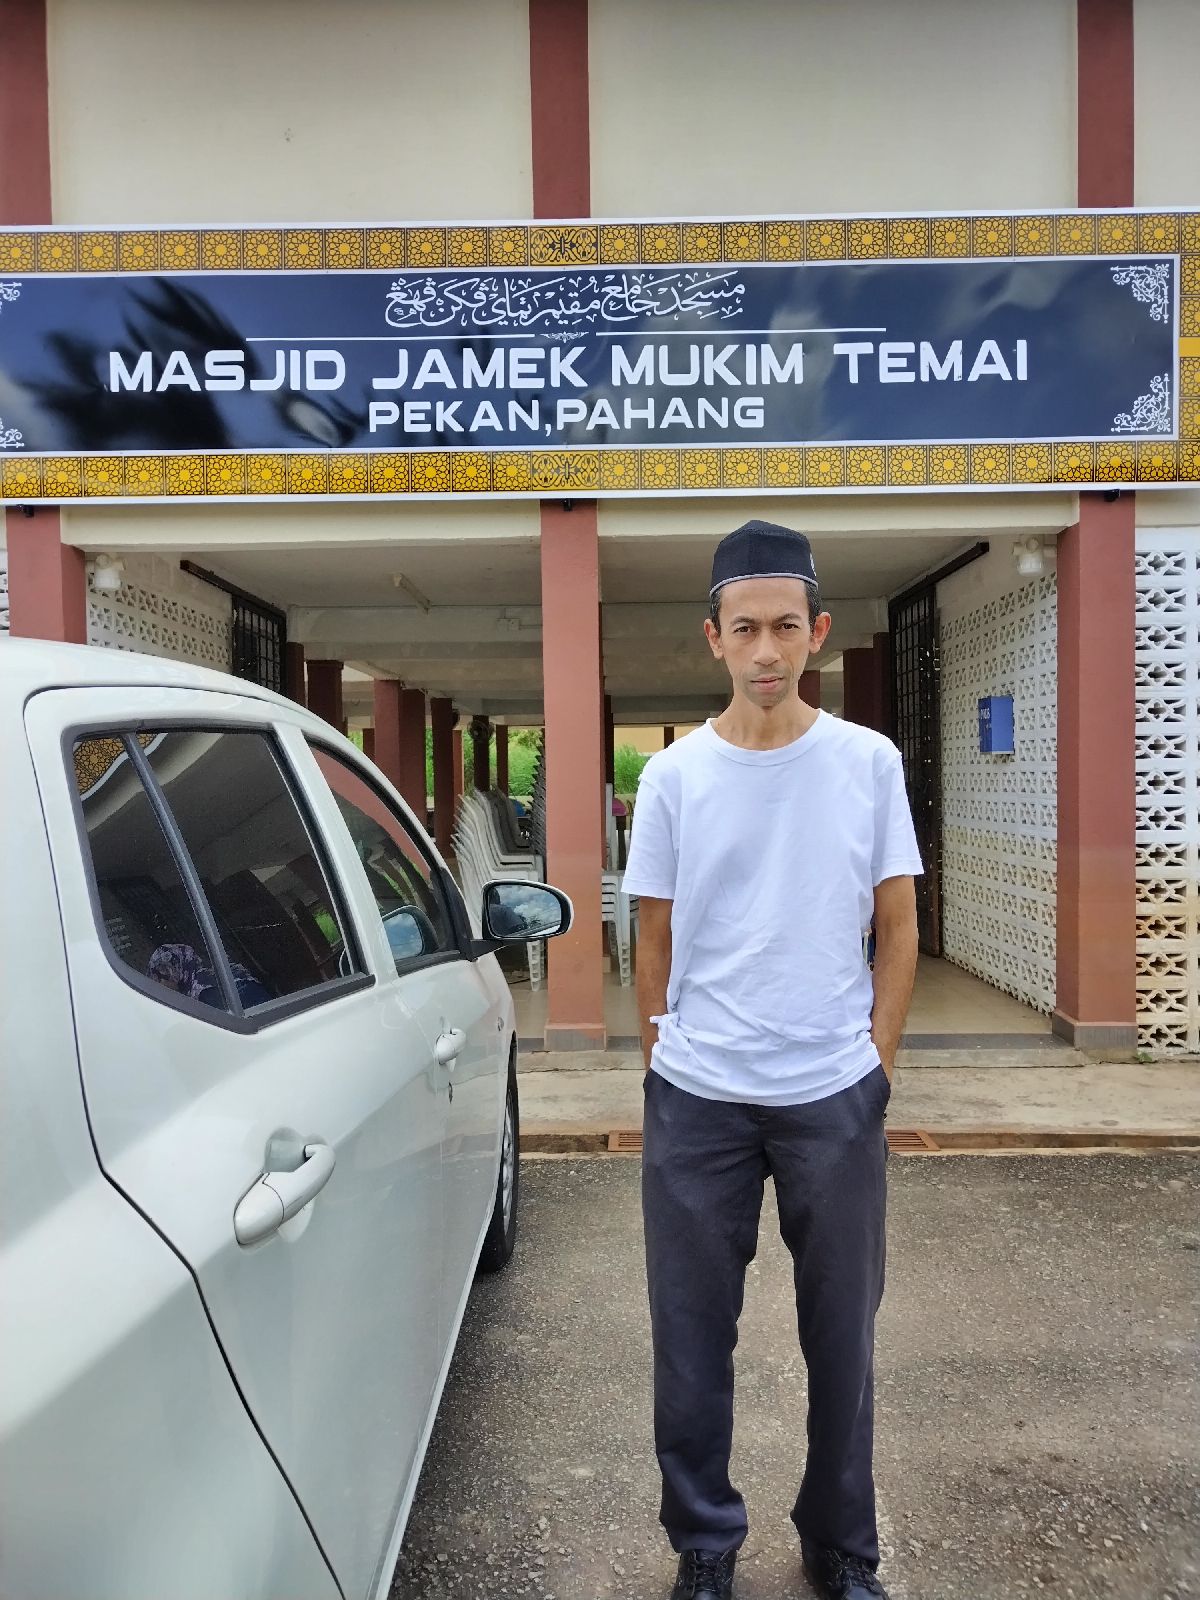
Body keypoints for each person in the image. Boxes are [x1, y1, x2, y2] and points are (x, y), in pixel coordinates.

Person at [622, 521, 922, 1600]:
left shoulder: (867, 764)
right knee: (691, 1339)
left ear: (817, 632)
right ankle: (705, 1543)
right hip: (698, 1097)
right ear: (713, 636)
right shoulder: (673, 777)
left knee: (842, 1340)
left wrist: (874, 1067)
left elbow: (899, 926)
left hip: (830, 1095)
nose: (765, 650)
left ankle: (840, 1545)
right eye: (744, 628)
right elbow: (653, 939)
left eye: (784, 627)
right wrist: (663, 1059)